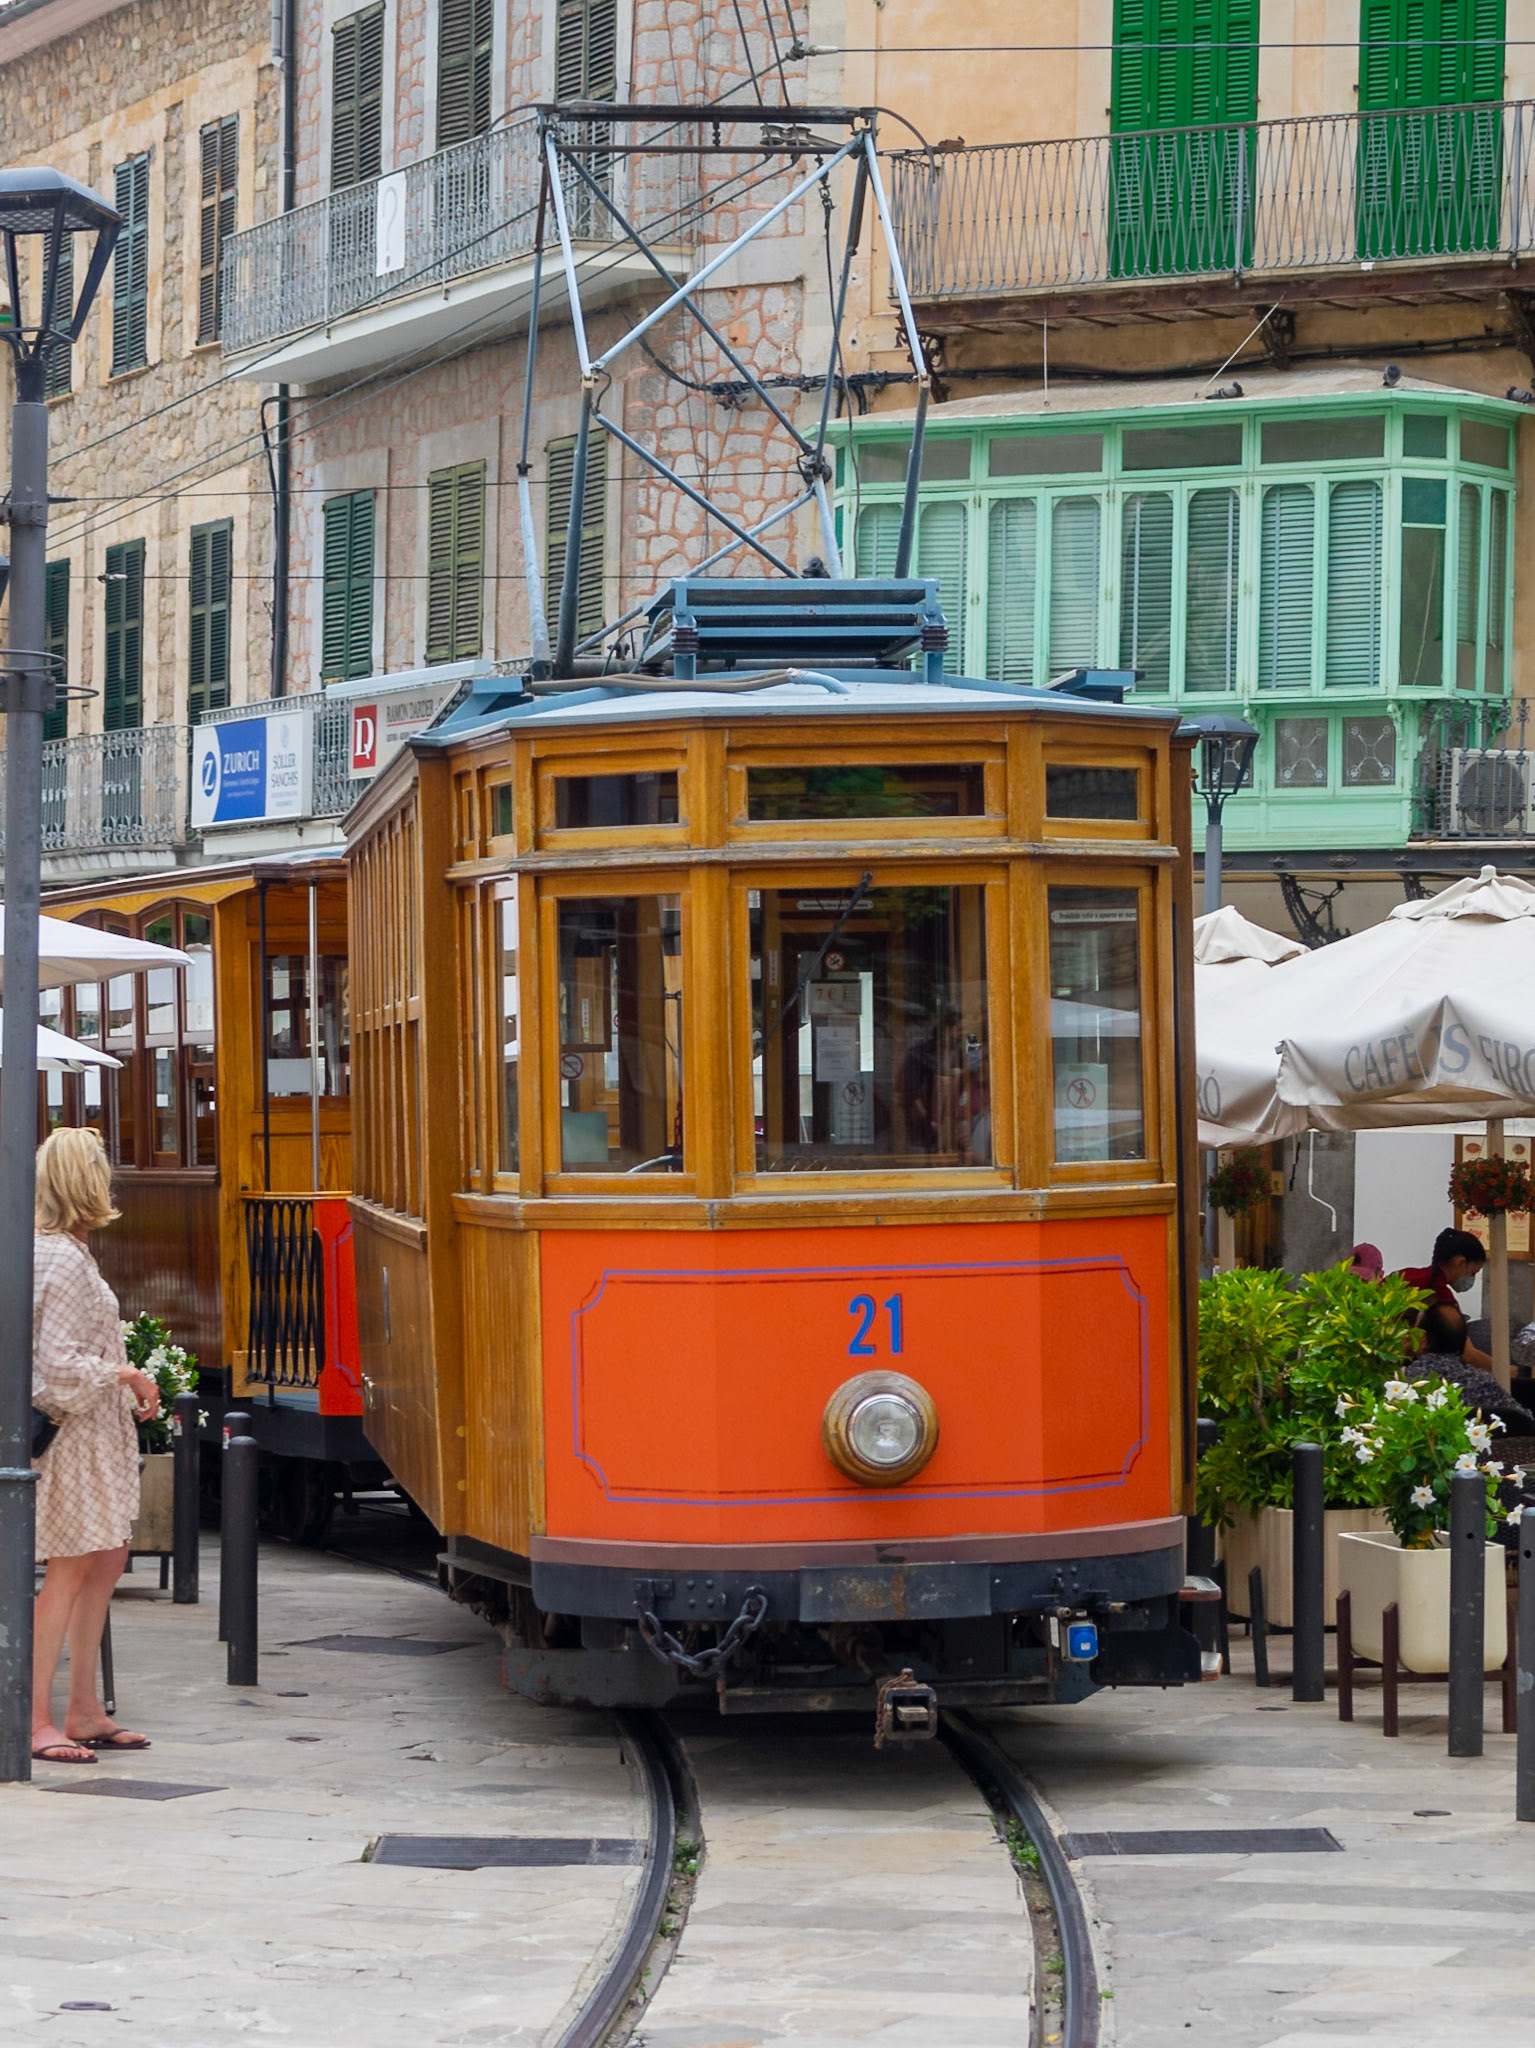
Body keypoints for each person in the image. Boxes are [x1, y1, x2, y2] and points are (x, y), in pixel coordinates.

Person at [30, 1127, 160, 1765]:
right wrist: (125, 1374)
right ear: (86, 1181)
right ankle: (35, 1720)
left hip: (91, 1435)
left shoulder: (59, 1253)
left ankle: (82, 1707)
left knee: (105, 1556)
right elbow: (55, 1366)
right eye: (102, 1171)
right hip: (72, 1437)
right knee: (70, 1567)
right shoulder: (59, 1259)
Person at [1403, 1301, 1534, 1434]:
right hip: (1503, 1452)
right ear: (1465, 1342)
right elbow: (1525, 1420)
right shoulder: (1483, 1382)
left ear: (1423, 1339)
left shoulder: (1409, 1383)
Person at [1396, 1227, 1495, 1370]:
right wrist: (1506, 1370)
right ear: (1460, 1262)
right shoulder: (1441, 1297)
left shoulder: (1405, 1275)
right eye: (1473, 1272)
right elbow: (1468, 1354)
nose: (1471, 1279)